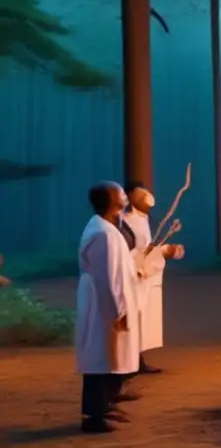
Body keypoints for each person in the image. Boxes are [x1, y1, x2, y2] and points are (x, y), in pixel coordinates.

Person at [75, 182, 140, 433]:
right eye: (120, 193)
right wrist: (119, 311)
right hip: (103, 302)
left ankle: (105, 406)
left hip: (105, 300)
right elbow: (110, 277)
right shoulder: (104, 233)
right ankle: (93, 417)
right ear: (111, 200)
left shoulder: (107, 227)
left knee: (108, 356)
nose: (125, 195)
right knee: (98, 358)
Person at [123, 182, 185, 373]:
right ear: (132, 197)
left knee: (144, 319)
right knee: (135, 317)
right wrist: (163, 251)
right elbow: (136, 252)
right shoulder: (128, 220)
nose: (148, 198)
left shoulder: (144, 220)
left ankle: (138, 360)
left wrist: (165, 250)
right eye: (143, 195)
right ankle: (131, 362)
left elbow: (148, 248)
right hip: (136, 277)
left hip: (148, 278)